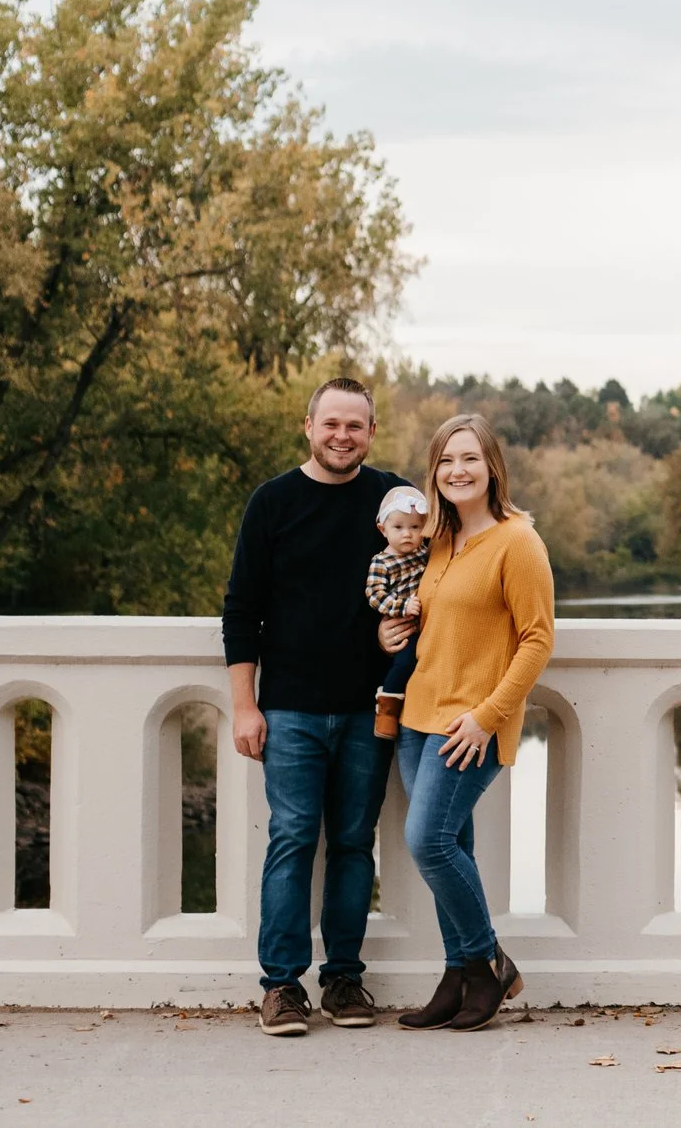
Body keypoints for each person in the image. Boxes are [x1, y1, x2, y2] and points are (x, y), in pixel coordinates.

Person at [221, 378, 410, 1038]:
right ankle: (280, 986)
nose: (341, 435)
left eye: (354, 425)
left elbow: (431, 581)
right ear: (308, 426)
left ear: (371, 431)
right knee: (294, 839)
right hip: (292, 709)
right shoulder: (272, 502)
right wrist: (245, 705)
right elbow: (242, 610)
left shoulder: (394, 500)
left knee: (355, 844)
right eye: (331, 423)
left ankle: (344, 978)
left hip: (370, 710)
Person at [383, 412, 555, 1033]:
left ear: (492, 468)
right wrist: (387, 631)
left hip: (470, 726)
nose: (457, 471)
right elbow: (429, 623)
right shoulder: (435, 541)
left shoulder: (517, 541)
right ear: (434, 472)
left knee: (427, 840)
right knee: (452, 845)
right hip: (417, 717)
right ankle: (458, 976)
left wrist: (487, 717)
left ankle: (489, 964)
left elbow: (537, 641)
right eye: (445, 461)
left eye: (470, 459)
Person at [365, 486, 431, 738]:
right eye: (399, 527)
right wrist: (402, 606)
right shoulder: (382, 562)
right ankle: (387, 708)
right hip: (403, 625)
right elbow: (375, 595)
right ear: (383, 529)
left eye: (415, 528)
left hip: (425, 626)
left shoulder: (424, 554)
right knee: (405, 663)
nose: (407, 534)